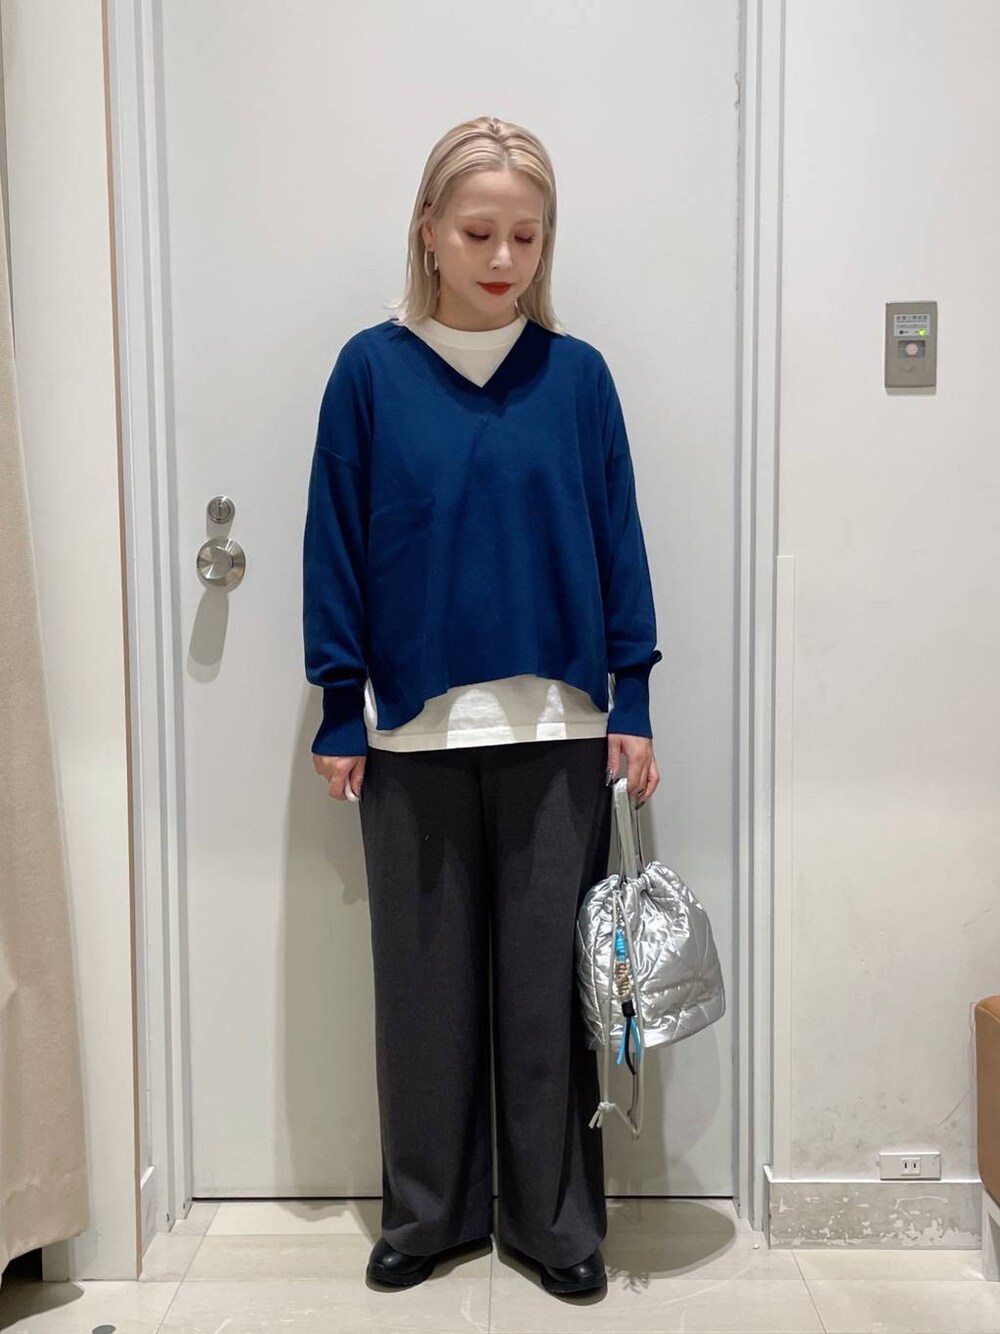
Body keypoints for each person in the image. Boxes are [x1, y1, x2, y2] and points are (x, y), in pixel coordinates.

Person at [302, 115, 661, 1298]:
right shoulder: (369, 371)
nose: (503, 257)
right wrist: (339, 705)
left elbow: (618, 539)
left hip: (561, 727)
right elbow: (334, 542)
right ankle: (429, 1213)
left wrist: (634, 694)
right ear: (428, 231)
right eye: (477, 232)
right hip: (407, 734)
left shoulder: (578, 378)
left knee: (549, 994)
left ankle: (556, 1223)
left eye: (526, 235)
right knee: (422, 990)